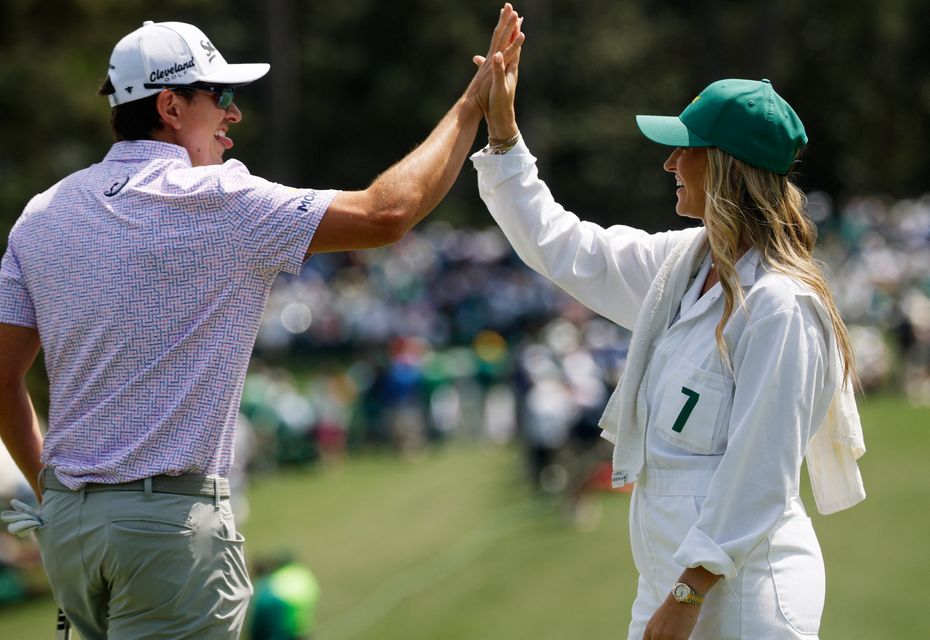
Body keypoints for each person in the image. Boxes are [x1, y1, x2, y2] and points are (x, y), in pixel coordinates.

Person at [0, 8, 523, 639]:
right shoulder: (219, 199)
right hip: (165, 529)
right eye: (219, 96)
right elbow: (389, 213)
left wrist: (56, 497)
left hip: (71, 533)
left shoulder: (42, 212)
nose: (234, 113)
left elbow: (4, 381)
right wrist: (472, 105)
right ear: (170, 106)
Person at [471, 43, 866, 640]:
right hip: (675, 583)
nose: (670, 163)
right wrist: (504, 138)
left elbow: (761, 467)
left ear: (727, 166)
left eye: (686, 149)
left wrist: (687, 594)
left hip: (742, 595)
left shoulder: (781, 306)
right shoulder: (681, 265)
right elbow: (565, 247)